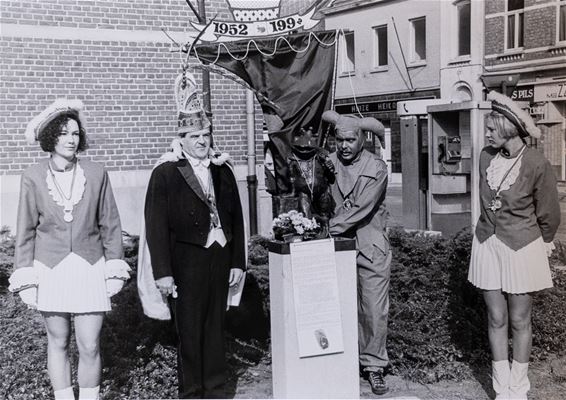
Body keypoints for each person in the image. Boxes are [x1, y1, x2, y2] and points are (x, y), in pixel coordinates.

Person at [8, 99, 131, 400]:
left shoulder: (97, 172)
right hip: (50, 268)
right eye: (63, 133)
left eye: (75, 133)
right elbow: (24, 231)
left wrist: (114, 264)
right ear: (51, 137)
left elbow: (110, 224)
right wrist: (25, 274)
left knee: (90, 344)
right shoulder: (33, 176)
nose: (70, 139)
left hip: (90, 266)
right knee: (58, 341)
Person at [144, 72, 246, 398]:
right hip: (186, 263)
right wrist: (163, 272)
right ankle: (191, 393)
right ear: (181, 138)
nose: (202, 141)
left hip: (219, 258)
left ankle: (216, 391)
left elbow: (237, 220)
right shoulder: (166, 173)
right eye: (194, 136)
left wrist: (238, 263)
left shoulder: (222, 169)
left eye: (206, 134)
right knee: (189, 333)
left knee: (215, 330)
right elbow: (155, 226)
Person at [468, 91, 560, 400]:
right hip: (486, 243)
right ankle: (500, 387)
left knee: (520, 319)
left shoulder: (536, 163)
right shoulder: (485, 156)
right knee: (496, 317)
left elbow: (548, 214)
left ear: (508, 126)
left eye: (492, 127)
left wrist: (541, 244)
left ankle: (518, 390)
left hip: (522, 246)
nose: (487, 133)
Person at [322, 110, 391, 395]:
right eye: (340, 140)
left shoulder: (376, 167)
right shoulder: (327, 163)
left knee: (373, 309)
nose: (344, 146)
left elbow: (363, 207)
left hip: (370, 245)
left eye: (350, 139)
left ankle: (374, 367)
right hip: (336, 247)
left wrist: (328, 227)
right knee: (336, 306)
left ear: (362, 138)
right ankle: (339, 361)